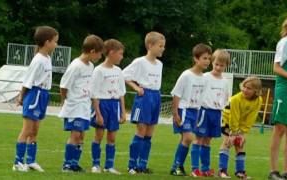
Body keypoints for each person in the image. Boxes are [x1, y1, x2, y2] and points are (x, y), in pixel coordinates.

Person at [12, 26, 58, 172]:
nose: (56, 44)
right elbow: (27, 81)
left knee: (35, 130)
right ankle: (18, 162)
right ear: (47, 42)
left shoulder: (47, 58)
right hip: (34, 95)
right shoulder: (37, 60)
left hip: (43, 94)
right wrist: (21, 97)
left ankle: (31, 161)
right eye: (55, 41)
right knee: (27, 129)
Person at [58, 35, 104, 172]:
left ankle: (74, 164)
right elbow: (63, 86)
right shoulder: (76, 65)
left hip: (84, 106)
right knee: (75, 134)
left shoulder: (90, 66)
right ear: (92, 51)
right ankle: (66, 165)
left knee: (82, 135)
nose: (100, 57)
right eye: (100, 53)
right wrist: (68, 100)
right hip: (74, 106)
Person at [123, 31, 166, 174]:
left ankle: (142, 165)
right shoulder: (139, 62)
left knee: (149, 133)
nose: (162, 49)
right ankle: (131, 165)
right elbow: (124, 75)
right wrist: (136, 87)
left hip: (156, 96)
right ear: (150, 45)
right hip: (144, 97)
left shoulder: (159, 64)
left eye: (163, 46)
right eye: (160, 46)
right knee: (141, 130)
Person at [169, 43, 212, 176]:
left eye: (209, 58)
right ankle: (176, 166)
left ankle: (177, 167)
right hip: (184, 109)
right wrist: (175, 113)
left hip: (195, 112)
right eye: (204, 58)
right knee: (188, 138)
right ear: (196, 59)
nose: (207, 61)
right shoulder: (186, 75)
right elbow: (177, 94)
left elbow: (200, 99)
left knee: (185, 139)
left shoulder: (204, 79)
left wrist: (199, 114)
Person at [190, 49, 230, 177]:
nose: (218, 67)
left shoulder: (225, 82)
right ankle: (195, 169)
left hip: (216, 113)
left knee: (207, 141)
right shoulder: (205, 77)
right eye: (216, 64)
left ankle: (206, 169)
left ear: (226, 66)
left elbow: (225, 98)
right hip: (204, 112)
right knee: (198, 139)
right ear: (212, 62)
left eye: (221, 65)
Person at [90, 39, 126, 174]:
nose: (122, 57)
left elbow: (121, 92)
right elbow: (94, 94)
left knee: (112, 137)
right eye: (120, 54)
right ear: (111, 53)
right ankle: (95, 164)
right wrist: (98, 113)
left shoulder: (119, 71)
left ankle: (109, 166)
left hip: (114, 105)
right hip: (102, 104)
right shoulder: (98, 70)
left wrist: (123, 112)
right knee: (99, 135)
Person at [218, 76, 263, 179]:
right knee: (228, 142)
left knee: (240, 144)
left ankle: (240, 172)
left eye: (249, 88)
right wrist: (233, 133)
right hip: (228, 120)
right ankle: (222, 170)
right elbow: (234, 116)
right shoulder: (236, 99)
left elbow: (251, 118)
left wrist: (242, 132)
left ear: (256, 91)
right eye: (244, 87)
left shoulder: (258, 100)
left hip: (240, 123)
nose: (245, 90)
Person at [268, 14, 287, 180]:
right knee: (280, 129)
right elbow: (276, 68)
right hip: (285, 89)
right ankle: (273, 171)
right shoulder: (286, 42)